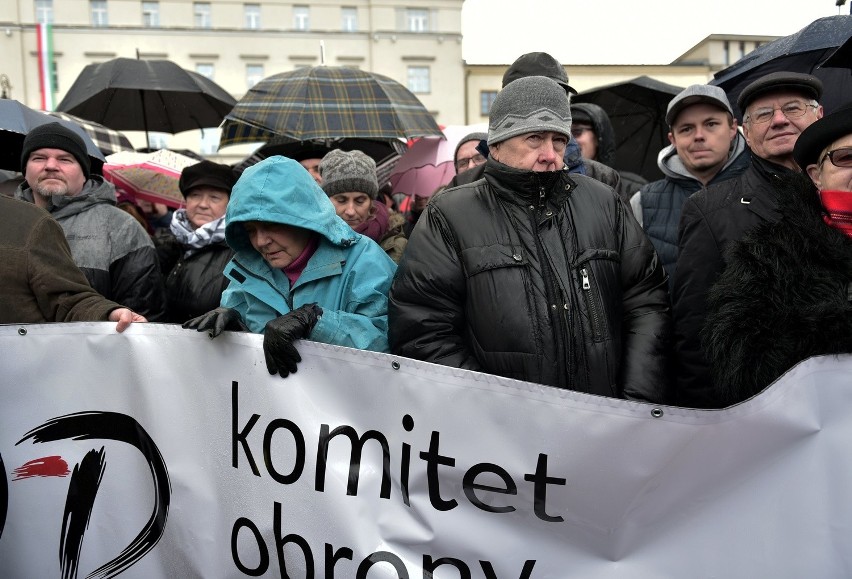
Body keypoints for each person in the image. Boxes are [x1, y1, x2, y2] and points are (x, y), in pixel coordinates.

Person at [389, 76, 670, 402]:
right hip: (503, 436)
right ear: (496, 145)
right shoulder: (449, 213)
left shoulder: (605, 203)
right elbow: (423, 328)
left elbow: (647, 303)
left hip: (605, 424)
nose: (550, 154)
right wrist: (495, 413)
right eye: (534, 139)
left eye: (559, 141)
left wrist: (635, 400)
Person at [672, 72, 824, 408]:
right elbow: (694, 334)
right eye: (764, 114)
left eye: (793, 108)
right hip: (761, 411)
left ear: (819, 115)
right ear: (746, 131)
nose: (780, 120)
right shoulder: (709, 210)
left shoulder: (841, 193)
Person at [183, 155, 397, 377]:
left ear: (303, 218)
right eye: (250, 230)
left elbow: (389, 345)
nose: (260, 241)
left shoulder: (364, 260)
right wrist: (234, 327)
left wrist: (316, 321)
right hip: (270, 410)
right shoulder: (247, 268)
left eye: (271, 225)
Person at [702, 101, 852, 407]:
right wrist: (837, 328)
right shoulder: (765, 256)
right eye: (846, 158)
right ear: (816, 175)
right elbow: (739, 370)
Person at [15, 123, 167, 321]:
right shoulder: (7, 221)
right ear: (25, 170)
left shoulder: (122, 227)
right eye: (39, 158)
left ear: (84, 173)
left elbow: (142, 317)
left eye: (65, 159)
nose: (51, 166)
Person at [445, 52, 623, 193]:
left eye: (557, 95)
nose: (546, 109)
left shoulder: (603, 180)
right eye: (532, 96)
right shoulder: (461, 188)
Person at [629, 85, 749, 286]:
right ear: (672, 139)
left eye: (711, 124)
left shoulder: (764, 189)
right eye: (686, 128)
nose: (699, 135)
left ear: (732, 129)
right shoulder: (642, 202)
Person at [0, 195, 146, 332]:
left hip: (31, 352)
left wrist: (108, 313)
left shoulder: (31, 221)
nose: (50, 166)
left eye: (67, 164)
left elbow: (67, 298)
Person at [156, 160, 237, 323]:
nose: (203, 205)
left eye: (214, 198)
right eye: (195, 195)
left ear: (229, 204)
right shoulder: (164, 241)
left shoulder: (237, 249)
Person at [319, 149, 407, 263]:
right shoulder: (309, 241)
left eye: (359, 201)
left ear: (371, 202)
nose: (350, 211)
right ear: (326, 200)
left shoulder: (395, 246)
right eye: (341, 200)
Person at [570, 102, 648, 200]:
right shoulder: (552, 186)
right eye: (562, 136)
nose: (570, 141)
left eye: (577, 132)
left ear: (598, 136)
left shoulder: (631, 189)